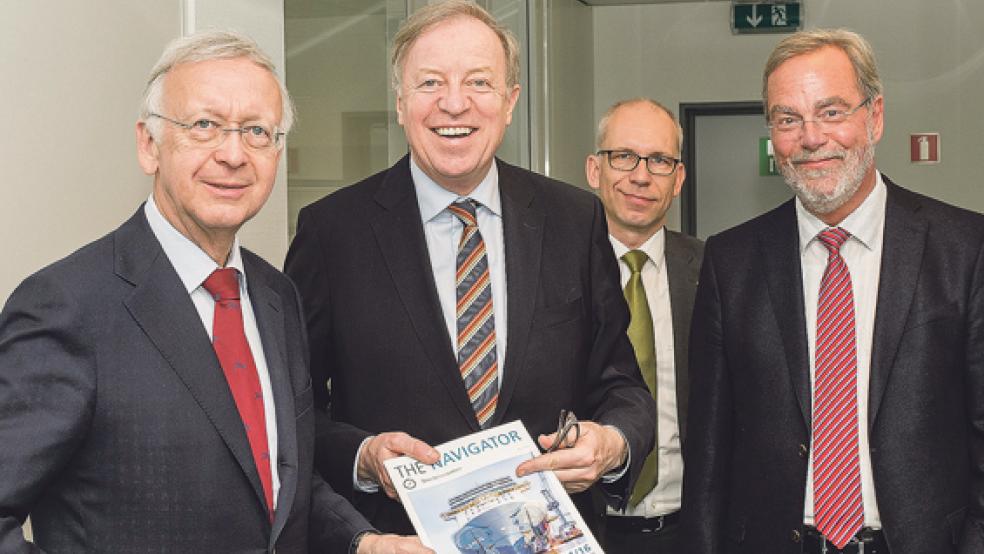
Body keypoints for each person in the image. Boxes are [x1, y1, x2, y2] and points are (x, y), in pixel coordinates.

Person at [0, 30, 430, 554]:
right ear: (149, 144)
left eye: (256, 131)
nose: (233, 154)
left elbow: (277, 481)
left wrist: (363, 542)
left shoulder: (276, 296)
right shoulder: (67, 306)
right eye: (204, 125)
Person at [285, 0, 656, 536]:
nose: (454, 104)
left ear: (510, 102)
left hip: (546, 536)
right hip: (400, 541)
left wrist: (612, 443)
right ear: (400, 103)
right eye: (430, 83)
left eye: (479, 82)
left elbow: (623, 386)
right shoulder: (332, 232)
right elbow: (291, 414)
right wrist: (363, 457)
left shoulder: (574, 220)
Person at [681, 28, 984, 554]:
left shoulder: (965, 248)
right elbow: (708, 456)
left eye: (832, 112)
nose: (811, 138)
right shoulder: (730, 261)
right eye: (787, 119)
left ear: (875, 116)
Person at [585, 98, 703, 552]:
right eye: (623, 156)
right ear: (594, 170)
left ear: (678, 179)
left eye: (659, 160)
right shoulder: (554, 274)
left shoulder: (713, 271)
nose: (641, 175)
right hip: (585, 528)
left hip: (688, 531)